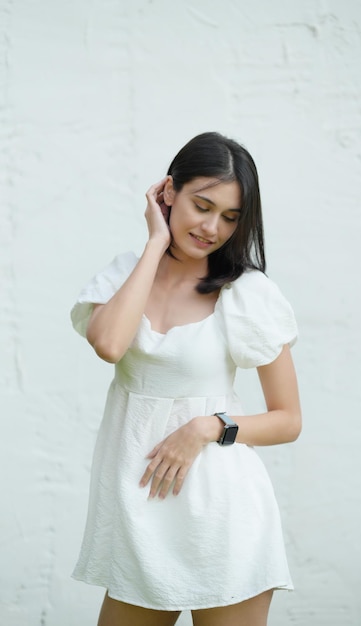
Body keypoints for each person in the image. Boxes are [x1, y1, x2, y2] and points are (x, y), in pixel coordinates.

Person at [71, 131, 302, 626]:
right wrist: (156, 242)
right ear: (167, 192)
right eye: (202, 205)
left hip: (223, 515)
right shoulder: (124, 277)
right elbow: (109, 344)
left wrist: (209, 427)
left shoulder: (247, 294)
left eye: (231, 217)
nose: (213, 228)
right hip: (137, 514)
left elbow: (289, 421)